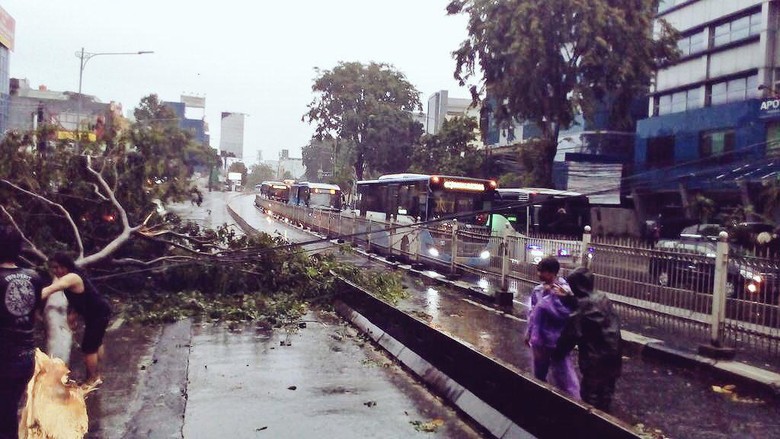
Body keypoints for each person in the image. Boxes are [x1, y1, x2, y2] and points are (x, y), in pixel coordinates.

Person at [553, 267, 622, 412]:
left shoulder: (581, 310)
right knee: (606, 394)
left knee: (590, 399)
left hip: (594, 361)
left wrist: (556, 354)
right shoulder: (602, 298)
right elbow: (586, 306)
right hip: (614, 356)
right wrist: (569, 298)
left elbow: (569, 336)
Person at [0, 226, 44, 439]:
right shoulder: (34, 277)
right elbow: (34, 315)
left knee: (5, 417)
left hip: (4, 359)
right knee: (9, 410)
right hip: (26, 357)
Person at [42, 253, 112, 385]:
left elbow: (52, 289)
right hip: (95, 312)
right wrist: (73, 314)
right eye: (53, 268)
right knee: (96, 343)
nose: (56, 271)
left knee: (88, 348)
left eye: (59, 267)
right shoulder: (71, 275)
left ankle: (93, 379)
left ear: (66, 266)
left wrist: (29, 298)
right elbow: (79, 298)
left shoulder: (71, 277)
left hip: (98, 313)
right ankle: (97, 373)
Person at [524, 256, 580, 399]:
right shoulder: (537, 290)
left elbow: (565, 313)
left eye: (542, 272)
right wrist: (529, 333)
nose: (539, 275)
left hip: (557, 340)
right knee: (539, 373)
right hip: (540, 340)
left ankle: (575, 403)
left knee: (565, 375)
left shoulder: (564, 291)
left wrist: (549, 298)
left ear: (552, 273)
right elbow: (533, 314)